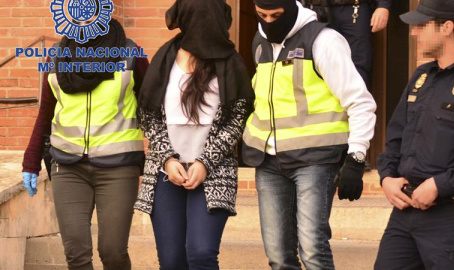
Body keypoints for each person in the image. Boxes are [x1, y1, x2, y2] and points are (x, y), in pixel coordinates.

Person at [242, 0, 377, 269]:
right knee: (279, 257)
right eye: (261, 15)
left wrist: (356, 157)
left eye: (276, 15)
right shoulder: (260, 41)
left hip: (315, 160)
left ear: (290, 8)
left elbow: (360, 102)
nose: (269, 22)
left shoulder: (324, 41)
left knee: (312, 249)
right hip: (268, 162)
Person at [133, 0, 254, 269]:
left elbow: (237, 118)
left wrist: (205, 162)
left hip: (214, 171)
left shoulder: (230, 62)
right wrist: (167, 159)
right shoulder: (164, 59)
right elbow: (149, 115)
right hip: (166, 173)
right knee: (172, 260)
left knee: (200, 254)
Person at [22, 18, 149, 270]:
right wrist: (30, 161)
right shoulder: (56, 56)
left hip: (119, 167)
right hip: (67, 167)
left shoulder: (131, 54)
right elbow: (46, 113)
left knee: (113, 252)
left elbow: (154, 109)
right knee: (76, 254)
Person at [375, 0, 454, 269]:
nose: (413, 32)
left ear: (447, 27)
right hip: (404, 213)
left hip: (452, 219)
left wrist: (438, 185)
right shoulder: (421, 76)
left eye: (422, 26)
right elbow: (395, 137)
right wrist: (387, 177)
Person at [303, 0, 391, 88]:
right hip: (315, 8)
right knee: (316, 61)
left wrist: (383, 6)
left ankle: (357, 100)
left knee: (358, 65)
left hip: (354, 8)